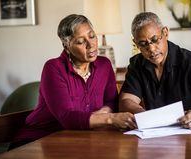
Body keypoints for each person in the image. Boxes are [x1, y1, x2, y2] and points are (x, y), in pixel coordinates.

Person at [9, 14, 136, 149]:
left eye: (92, 36)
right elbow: (67, 117)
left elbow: (111, 101)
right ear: (67, 46)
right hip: (38, 140)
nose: (90, 44)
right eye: (81, 42)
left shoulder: (104, 65)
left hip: (79, 138)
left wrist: (103, 112)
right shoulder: (53, 68)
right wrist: (110, 119)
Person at [119, 12, 191, 130]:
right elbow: (126, 100)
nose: (151, 49)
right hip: (155, 136)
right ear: (136, 43)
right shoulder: (137, 64)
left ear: (165, 33)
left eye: (155, 40)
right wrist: (145, 115)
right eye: (143, 44)